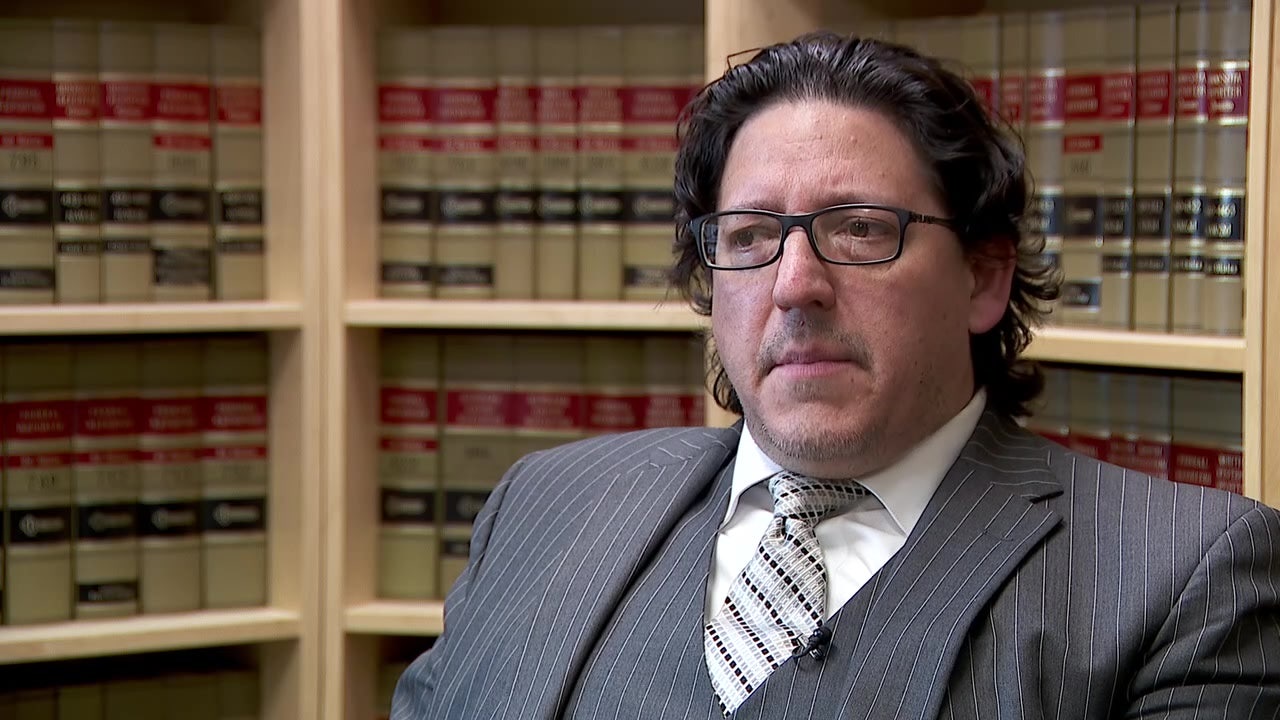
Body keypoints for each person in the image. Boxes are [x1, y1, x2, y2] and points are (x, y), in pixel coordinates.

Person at [390, 31, 1280, 719]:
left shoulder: (1185, 578)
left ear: (983, 277)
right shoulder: (543, 506)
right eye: (749, 236)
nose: (795, 286)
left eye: (858, 229)